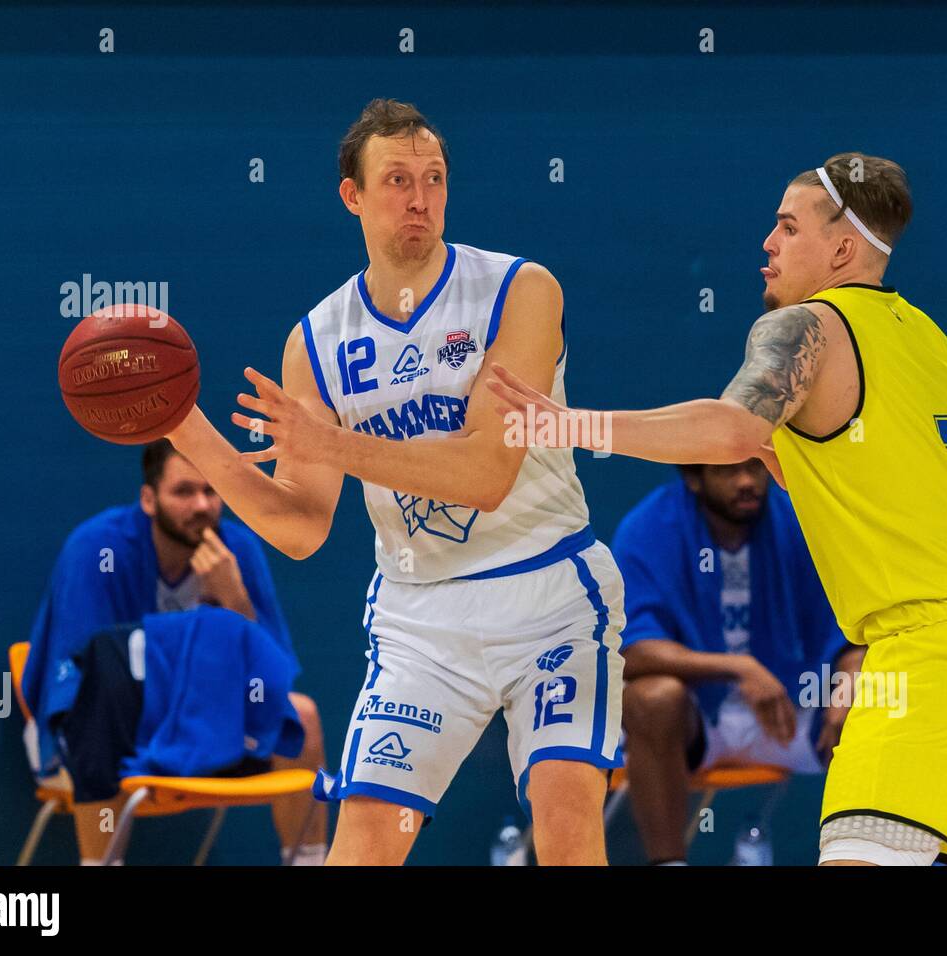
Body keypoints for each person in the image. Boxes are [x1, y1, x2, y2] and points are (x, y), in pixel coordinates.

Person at [489, 152, 947, 866]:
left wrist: (570, 424)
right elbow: (898, 477)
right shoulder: (926, 337)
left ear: (843, 248)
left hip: (935, 645)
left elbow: (732, 430)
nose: (768, 242)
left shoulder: (806, 326)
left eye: (789, 227)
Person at [166, 98, 625, 866]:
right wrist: (181, 424)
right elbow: (303, 527)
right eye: (397, 180)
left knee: (566, 823)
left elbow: (484, 472)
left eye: (435, 178)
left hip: (548, 594)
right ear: (352, 194)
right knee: (367, 845)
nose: (420, 198)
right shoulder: (315, 340)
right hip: (422, 617)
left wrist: (332, 442)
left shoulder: (520, 290)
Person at [23, 439, 328, 865]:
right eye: (183, 492)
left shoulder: (237, 551)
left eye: (211, 490)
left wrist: (236, 603)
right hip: (112, 721)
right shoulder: (97, 549)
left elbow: (270, 679)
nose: (201, 505)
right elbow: (85, 673)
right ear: (149, 499)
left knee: (304, 717)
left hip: (203, 720)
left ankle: (309, 861)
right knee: (94, 717)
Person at [613, 459, 853, 865]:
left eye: (754, 469)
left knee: (878, 701)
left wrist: (851, 682)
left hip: (794, 712)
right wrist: (737, 667)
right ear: (693, 478)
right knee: (650, 699)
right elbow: (632, 650)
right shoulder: (648, 528)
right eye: (727, 472)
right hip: (701, 718)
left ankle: (889, 853)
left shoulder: (803, 520)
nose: (746, 482)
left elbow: (856, 630)